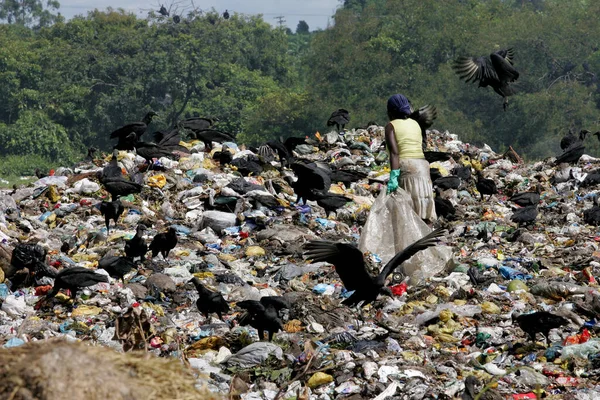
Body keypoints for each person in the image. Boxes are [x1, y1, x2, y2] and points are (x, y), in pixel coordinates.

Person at [385, 94, 436, 221]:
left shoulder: (391, 126)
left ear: (391, 112)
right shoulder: (415, 124)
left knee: (407, 212)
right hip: (423, 167)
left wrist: (394, 176)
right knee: (423, 208)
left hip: (407, 167)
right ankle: (428, 239)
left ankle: (411, 240)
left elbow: (395, 153)